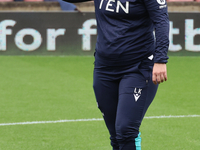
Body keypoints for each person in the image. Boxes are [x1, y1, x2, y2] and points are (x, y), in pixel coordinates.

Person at [62, 0, 169, 149]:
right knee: (115, 135)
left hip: (138, 67)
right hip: (104, 68)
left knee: (126, 130)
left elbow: (162, 21)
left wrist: (160, 60)